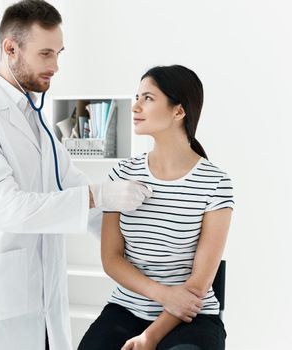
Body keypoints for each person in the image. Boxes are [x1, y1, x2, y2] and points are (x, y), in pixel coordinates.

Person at [0, 1, 151, 349]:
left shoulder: (35, 118)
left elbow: (74, 188)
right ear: (11, 48)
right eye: (45, 54)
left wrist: (139, 252)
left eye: (59, 53)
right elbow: (4, 208)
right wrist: (100, 195)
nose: (55, 66)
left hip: (43, 299)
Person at [78, 65, 234, 350]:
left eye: (148, 98)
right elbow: (112, 259)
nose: (135, 106)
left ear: (178, 111)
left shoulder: (215, 183)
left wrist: (150, 336)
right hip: (127, 309)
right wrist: (162, 294)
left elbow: (199, 284)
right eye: (137, 97)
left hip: (190, 316)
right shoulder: (122, 174)